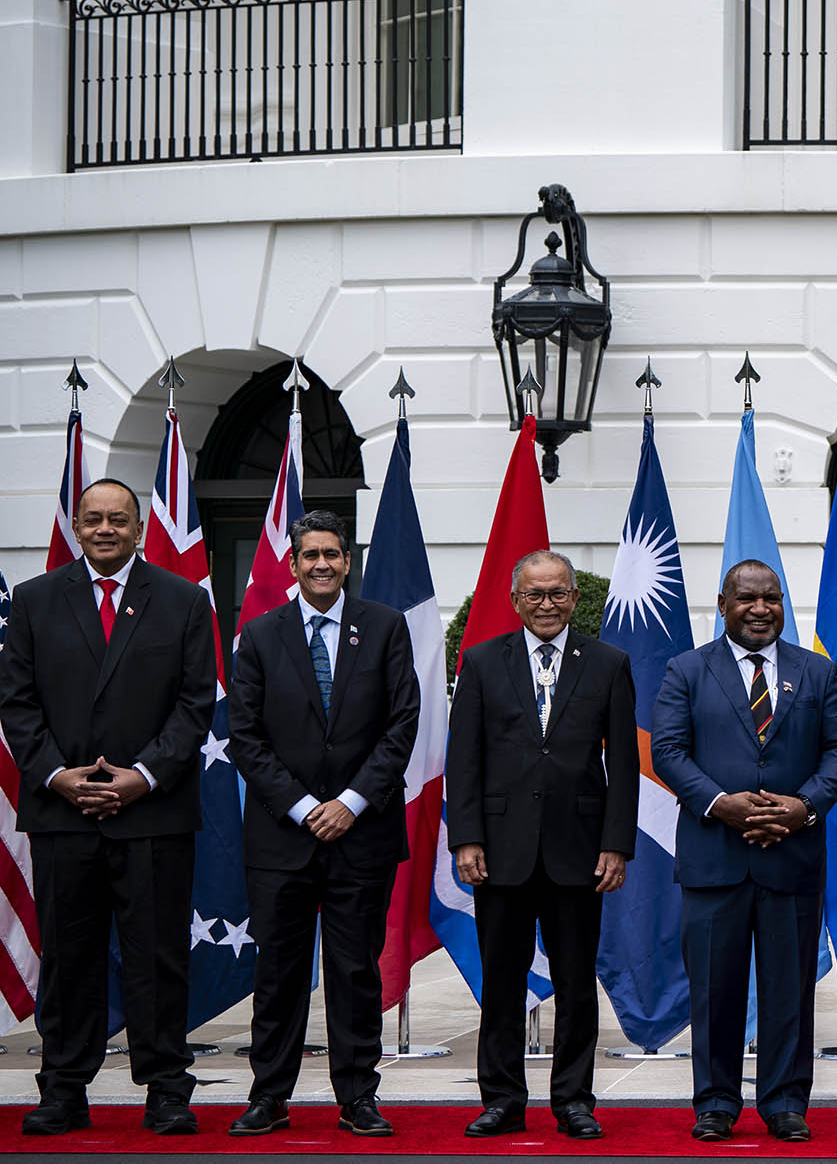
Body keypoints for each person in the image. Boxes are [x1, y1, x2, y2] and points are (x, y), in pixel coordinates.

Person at [0, 478, 215, 1137]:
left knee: (157, 957)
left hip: (152, 810)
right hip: (63, 813)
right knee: (70, 956)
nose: (104, 529)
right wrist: (58, 775)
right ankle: (64, 1085)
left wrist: (143, 775)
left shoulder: (181, 601)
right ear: (78, 525)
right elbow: (17, 701)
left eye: (117, 519)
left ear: (139, 526)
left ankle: (166, 1088)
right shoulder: (36, 601)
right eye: (92, 518)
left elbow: (195, 701)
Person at [226, 511, 421, 1138]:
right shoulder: (258, 636)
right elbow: (245, 736)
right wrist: (305, 806)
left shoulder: (385, 628)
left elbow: (402, 725)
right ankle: (268, 1095)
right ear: (294, 564)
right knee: (278, 970)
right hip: (282, 837)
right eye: (309, 554)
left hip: (361, 834)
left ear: (346, 562)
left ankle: (358, 1095)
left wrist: (352, 801)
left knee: (354, 969)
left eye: (332, 554)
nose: (320, 565)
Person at [651, 560, 837, 1144]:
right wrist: (722, 804)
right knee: (714, 991)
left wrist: (802, 808)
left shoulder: (816, 672)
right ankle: (715, 1103)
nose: (761, 608)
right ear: (723, 604)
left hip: (790, 858)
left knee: (789, 989)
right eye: (748, 599)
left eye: (772, 597)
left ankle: (785, 1102)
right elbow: (668, 751)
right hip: (714, 857)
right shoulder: (687, 670)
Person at [445, 551, 638, 1141]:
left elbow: (625, 764)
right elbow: (465, 757)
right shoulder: (480, 661)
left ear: (576, 599)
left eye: (558, 594)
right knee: (501, 981)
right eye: (535, 595)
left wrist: (616, 844)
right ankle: (501, 1098)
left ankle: (574, 1100)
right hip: (500, 849)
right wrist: (466, 838)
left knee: (577, 983)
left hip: (580, 849)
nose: (547, 604)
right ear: (515, 600)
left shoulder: (608, 663)